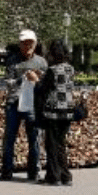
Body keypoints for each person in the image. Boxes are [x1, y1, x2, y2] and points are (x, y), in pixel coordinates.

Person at [0, 29, 47, 181]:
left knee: (34, 139)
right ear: (20, 44)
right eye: (24, 43)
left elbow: (46, 85)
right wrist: (23, 78)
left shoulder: (41, 62)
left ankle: (33, 172)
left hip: (33, 104)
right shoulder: (12, 60)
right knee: (9, 138)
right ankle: (7, 171)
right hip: (14, 103)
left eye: (30, 43)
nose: (27, 46)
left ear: (35, 44)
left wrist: (38, 79)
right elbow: (8, 83)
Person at [35, 39, 76, 187]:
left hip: (53, 111)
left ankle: (53, 176)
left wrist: (37, 80)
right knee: (61, 144)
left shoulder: (52, 70)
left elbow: (43, 89)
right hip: (68, 111)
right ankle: (66, 176)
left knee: (51, 144)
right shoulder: (70, 69)